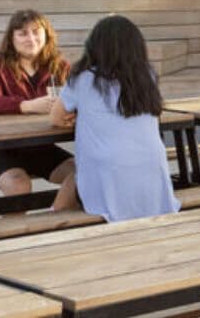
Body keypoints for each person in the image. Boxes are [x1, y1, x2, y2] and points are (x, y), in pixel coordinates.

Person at [51, 15, 179, 222]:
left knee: (72, 182)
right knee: (73, 181)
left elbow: (56, 117)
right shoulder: (147, 76)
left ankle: (51, 228)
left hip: (108, 172)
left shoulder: (83, 78)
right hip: (152, 167)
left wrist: (79, 117)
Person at [0, 10, 77, 211]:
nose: (31, 38)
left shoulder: (60, 66)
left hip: (37, 145)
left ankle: (56, 222)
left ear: (47, 34)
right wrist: (27, 106)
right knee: (19, 185)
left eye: (36, 32)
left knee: (82, 172)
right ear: (11, 38)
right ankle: (12, 238)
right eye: (22, 33)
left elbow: (77, 100)